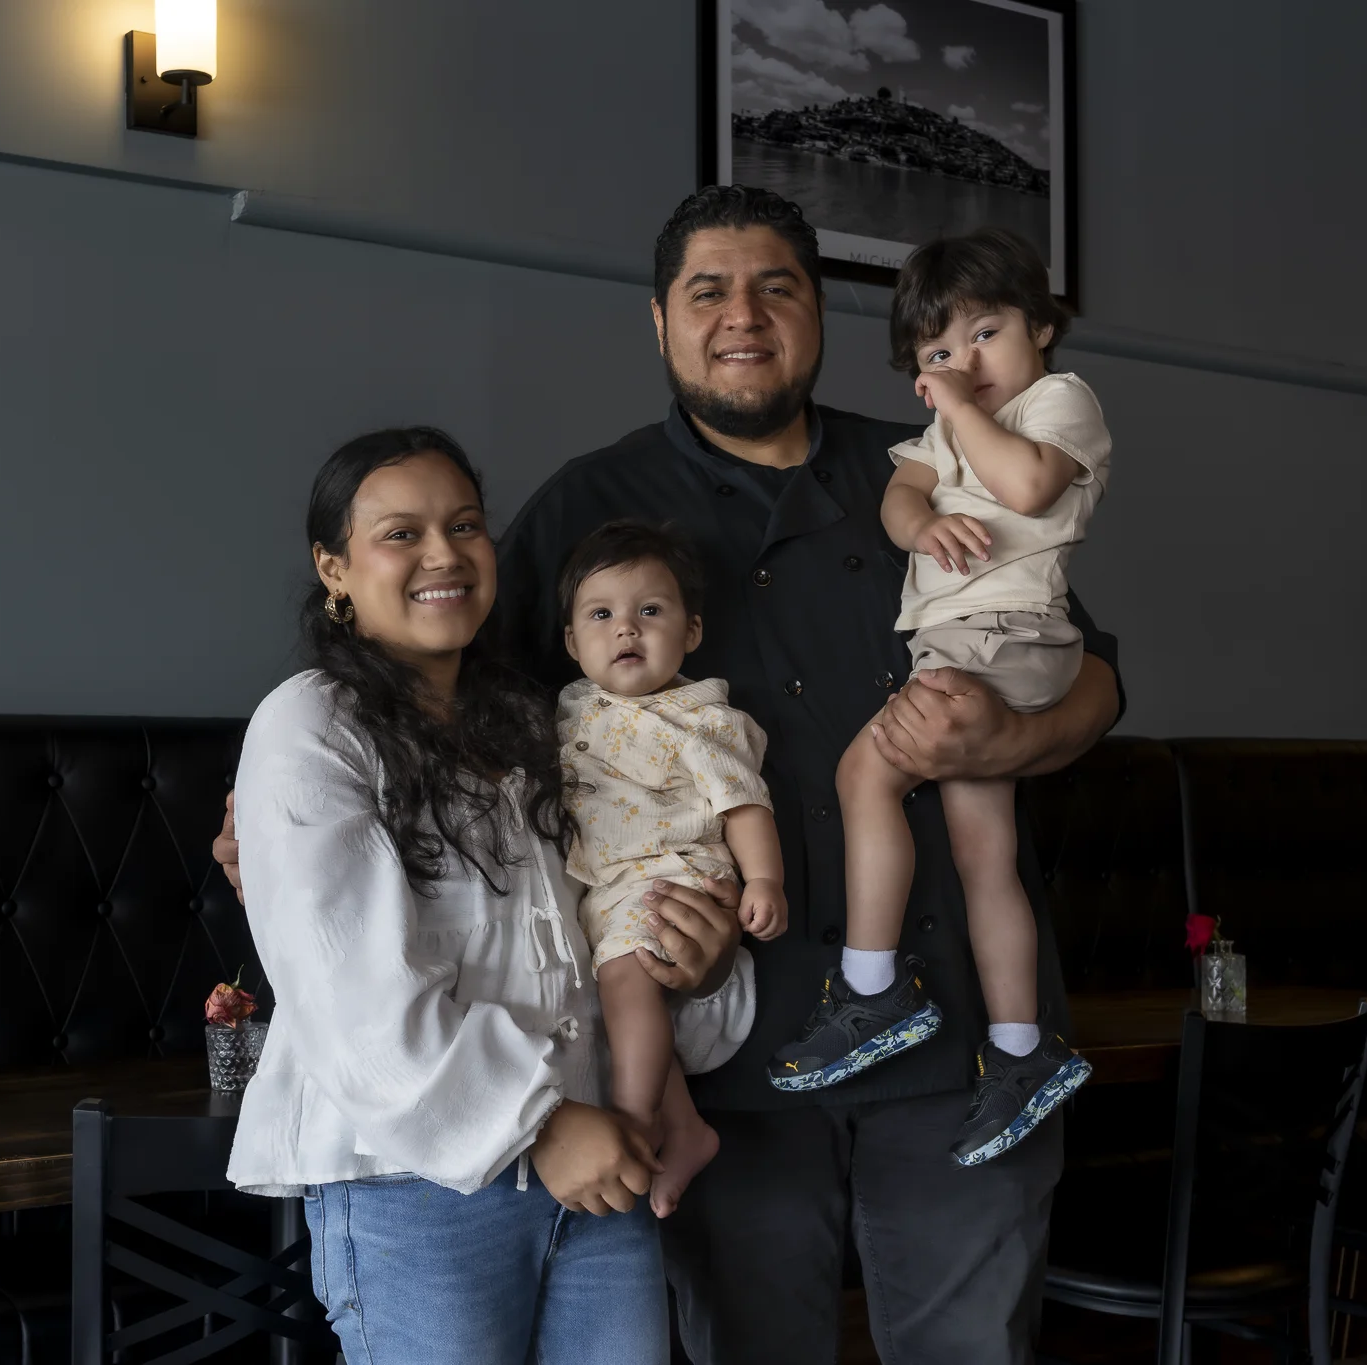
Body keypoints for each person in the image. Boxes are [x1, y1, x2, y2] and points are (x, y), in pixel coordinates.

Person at [217, 187, 1121, 1365]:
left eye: (775, 288)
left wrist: (1012, 743)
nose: (740, 317)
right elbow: (442, 706)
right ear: (658, 322)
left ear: (816, 314)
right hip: (718, 1057)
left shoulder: (929, 462)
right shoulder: (579, 510)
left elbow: (1090, 673)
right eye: (707, 291)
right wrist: (275, 824)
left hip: (955, 1035)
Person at [224, 427, 754, 1365]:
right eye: (402, 533)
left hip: (600, 1166)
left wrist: (701, 971)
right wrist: (541, 1125)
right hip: (417, 1186)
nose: (444, 554)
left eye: (465, 524)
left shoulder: (543, 728)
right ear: (333, 566)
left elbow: (609, 942)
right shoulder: (310, 723)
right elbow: (349, 993)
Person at [768, 228, 1109, 1169]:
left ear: (1041, 326)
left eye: (986, 333)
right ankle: (1020, 1048)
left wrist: (958, 405)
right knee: (982, 856)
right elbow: (899, 497)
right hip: (964, 645)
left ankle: (873, 986)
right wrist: (922, 523)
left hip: (1009, 643)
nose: (964, 363)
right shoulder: (940, 433)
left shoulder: (1058, 403)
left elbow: (1029, 484)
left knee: (861, 773)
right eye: (938, 353)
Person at [554, 519, 787, 1218]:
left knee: (628, 984)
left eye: (650, 611)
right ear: (572, 642)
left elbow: (744, 802)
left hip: (669, 871)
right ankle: (685, 1126)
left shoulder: (698, 717)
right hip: (606, 883)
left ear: (690, 631)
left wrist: (764, 880)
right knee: (624, 1001)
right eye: (602, 615)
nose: (626, 629)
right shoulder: (570, 706)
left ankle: (633, 1119)